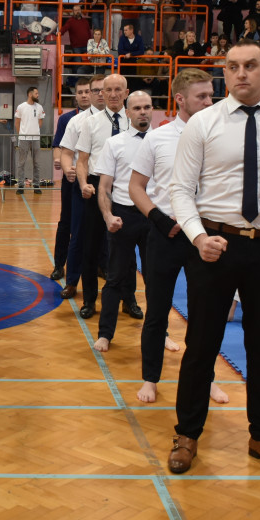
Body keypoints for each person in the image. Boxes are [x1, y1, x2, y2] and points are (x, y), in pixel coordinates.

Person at [168, 39, 260, 476]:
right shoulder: (204, 123)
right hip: (215, 244)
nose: (241, 74)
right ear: (224, 72)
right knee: (201, 345)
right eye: (233, 66)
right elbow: (180, 189)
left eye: (251, 65)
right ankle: (188, 433)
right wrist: (198, 237)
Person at [128, 68, 230, 404]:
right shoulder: (158, 138)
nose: (209, 101)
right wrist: (156, 217)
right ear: (180, 100)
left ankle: (206, 379)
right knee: (157, 311)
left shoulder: (221, 137)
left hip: (205, 235)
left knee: (206, 315)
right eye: (202, 96)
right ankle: (150, 378)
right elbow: (136, 187)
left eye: (211, 95)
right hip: (165, 235)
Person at [92, 90, 152, 352]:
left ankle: (161, 331)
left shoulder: (163, 141)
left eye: (147, 107)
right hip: (123, 215)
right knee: (114, 278)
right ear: (127, 113)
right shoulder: (114, 143)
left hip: (154, 218)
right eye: (137, 108)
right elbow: (105, 187)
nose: (142, 112)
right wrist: (107, 216)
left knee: (156, 278)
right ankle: (105, 334)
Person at [50, 79, 92, 279]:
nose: (84, 95)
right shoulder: (67, 119)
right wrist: (59, 161)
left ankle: (98, 264)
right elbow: (58, 145)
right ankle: (59, 264)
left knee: (94, 224)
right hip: (71, 179)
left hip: (93, 179)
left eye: (87, 92)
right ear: (75, 96)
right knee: (66, 222)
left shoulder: (101, 119)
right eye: (80, 92)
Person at [14, 86, 45, 195]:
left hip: (36, 138)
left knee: (36, 163)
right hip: (23, 138)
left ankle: (36, 185)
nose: (38, 95)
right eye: (36, 93)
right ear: (30, 94)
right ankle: (21, 185)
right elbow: (17, 123)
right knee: (21, 163)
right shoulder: (21, 107)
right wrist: (21, 134)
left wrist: (35, 131)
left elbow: (40, 122)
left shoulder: (40, 107)